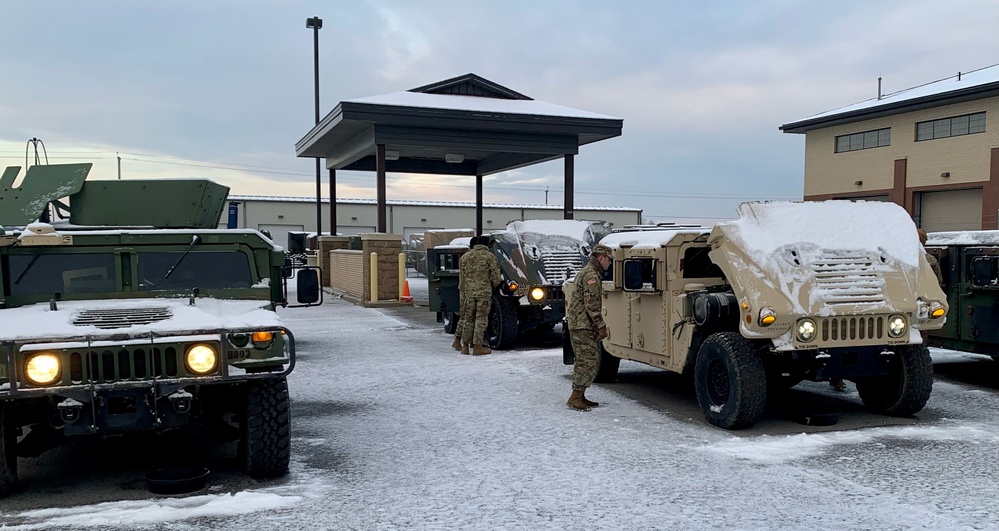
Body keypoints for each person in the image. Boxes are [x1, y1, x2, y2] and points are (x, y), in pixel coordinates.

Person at [565, 243, 613, 411]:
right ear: (602, 258)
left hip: (581, 324)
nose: (610, 264)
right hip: (582, 325)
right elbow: (591, 303)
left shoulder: (588, 272)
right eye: (609, 260)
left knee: (585, 360)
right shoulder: (591, 275)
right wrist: (601, 325)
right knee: (588, 361)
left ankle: (580, 395)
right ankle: (575, 397)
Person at [459, 235, 502, 355]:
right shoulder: (489, 256)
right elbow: (496, 277)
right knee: (481, 319)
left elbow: (461, 278)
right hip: (484, 293)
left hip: (469, 293)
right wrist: (492, 286)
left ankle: (465, 346)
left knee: (469, 319)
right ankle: (477, 346)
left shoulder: (465, 257)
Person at [451, 236, 478, 353]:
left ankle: (457, 340)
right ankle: (472, 342)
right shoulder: (485, 256)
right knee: (477, 318)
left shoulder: (464, 257)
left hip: (464, 290)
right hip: (478, 290)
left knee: (464, 317)